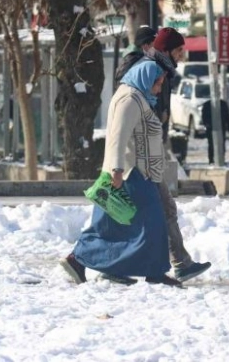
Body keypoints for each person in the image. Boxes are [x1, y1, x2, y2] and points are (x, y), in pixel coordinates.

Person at [60, 60, 182, 287]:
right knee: (152, 222)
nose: (158, 89)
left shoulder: (137, 96)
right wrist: (116, 169)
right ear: (146, 78)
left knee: (118, 225)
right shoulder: (129, 99)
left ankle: (87, 261)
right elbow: (118, 135)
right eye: (157, 84)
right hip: (129, 174)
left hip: (137, 172)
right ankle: (79, 258)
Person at [111, 26, 212, 283]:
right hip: (137, 165)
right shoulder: (138, 82)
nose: (182, 56)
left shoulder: (156, 77)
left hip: (148, 161)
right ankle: (104, 265)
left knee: (157, 212)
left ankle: (168, 265)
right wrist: (117, 168)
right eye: (179, 50)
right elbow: (121, 133)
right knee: (141, 215)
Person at [200, 98, 229, 165]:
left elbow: (227, 115)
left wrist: (228, 125)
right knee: (211, 144)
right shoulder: (207, 104)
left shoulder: (223, 104)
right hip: (211, 128)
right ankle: (211, 159)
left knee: (221, 143)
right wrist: (206, 124)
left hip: (221, 127)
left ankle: (221, 158)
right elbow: (203, 116)